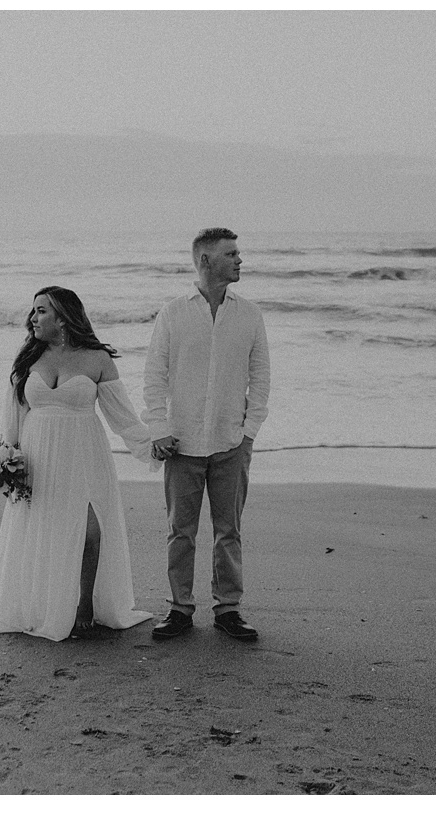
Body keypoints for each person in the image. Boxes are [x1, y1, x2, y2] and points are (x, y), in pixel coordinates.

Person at [0, 286, 154, 642]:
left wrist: (152, 446)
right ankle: (42, 604)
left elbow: (123, 417)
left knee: (90, 530)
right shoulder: (27, 359)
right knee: (39, 528)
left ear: (63, 316)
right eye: (33, 311)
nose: (33, 318)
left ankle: (85, 603)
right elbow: (14, 415)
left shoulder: (97, 359)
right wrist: (5, 459)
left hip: (84, 453)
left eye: (41, 311)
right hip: (38, 454)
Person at [143, 228, 271, 642]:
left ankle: (228, 609)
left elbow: (261, 377)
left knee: (228, 530)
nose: (239, 260)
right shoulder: (173, 313)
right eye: (231, 254)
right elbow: (155, 375)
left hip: (231, 442)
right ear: (205, 261)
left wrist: (248, 432)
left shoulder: (249, 314)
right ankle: (180, 608)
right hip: (181, 443)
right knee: (180, 530)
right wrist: (159, 428)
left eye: (238, 253)